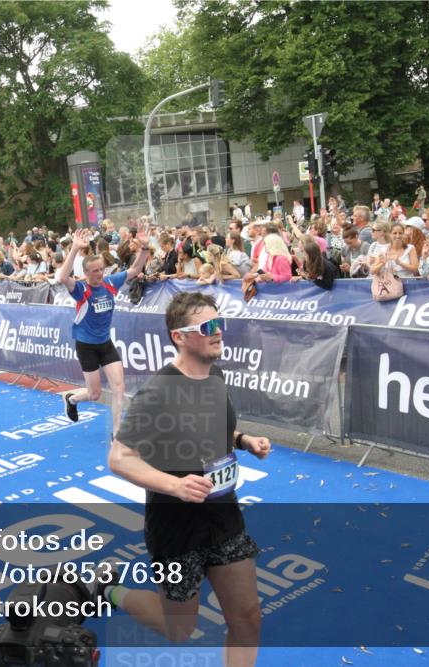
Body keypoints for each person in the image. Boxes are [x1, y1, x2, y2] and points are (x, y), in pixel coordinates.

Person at [106, 292, 270, 667]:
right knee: (179, 628)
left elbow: (211, 433)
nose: (218, 333)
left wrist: (243, 441)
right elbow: (120, 458)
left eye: (220, 323)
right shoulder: (158, 391)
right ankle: (109, 592)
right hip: (176, 528)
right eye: (207, 327)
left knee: (248, 618)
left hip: (224, 516)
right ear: (179, 336)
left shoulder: (216, 375)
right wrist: (175, 485)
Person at [58, 227, 151, 437]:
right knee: (94, 394)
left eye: (101, 269)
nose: (99, 274)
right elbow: (62, 277)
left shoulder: (111, 283)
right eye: (94, 271)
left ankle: (117, 431)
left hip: (105, 343)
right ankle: (71, 399)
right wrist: (74, 248)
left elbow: (135, 270)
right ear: (86, 274)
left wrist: (145, 247)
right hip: (86, 345)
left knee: (119, 386)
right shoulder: (81, 290)